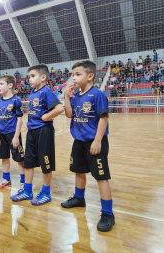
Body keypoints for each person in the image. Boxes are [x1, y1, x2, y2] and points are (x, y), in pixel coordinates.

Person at [62, 60, 115, 232]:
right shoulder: (76, 95)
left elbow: (104, 118)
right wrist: (67, 97)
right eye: (73, 75)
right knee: (79, 170)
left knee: (101, 176)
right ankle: (79, 198)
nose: (74, 78)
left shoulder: (97, 95)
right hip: (79, 141)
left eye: (78, 74)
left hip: (95, 141)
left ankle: (108, 213)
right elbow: (69, 114)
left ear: (90, 76)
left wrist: (98, 140)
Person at [10, 64, 64, 205]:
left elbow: (59, 108)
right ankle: (27, 191)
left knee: (46, 163)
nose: (29, 79)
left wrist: (46, 117)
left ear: (43, 77)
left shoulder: (46, 91)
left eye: (33, 76)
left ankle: (46, 193)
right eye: (29, 76)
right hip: (32, 131)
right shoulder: (33, 91)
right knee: (29, 162)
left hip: (43, 131)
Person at [0, 75, 24, 189]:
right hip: (1, 134)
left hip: (13, 134)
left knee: (20, 158)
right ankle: (6, 179)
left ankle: (23, 181)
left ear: (10, 85)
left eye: (1, 84)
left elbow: (20, 119)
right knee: (4, 157)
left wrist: (16, 137)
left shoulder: (16, 100)